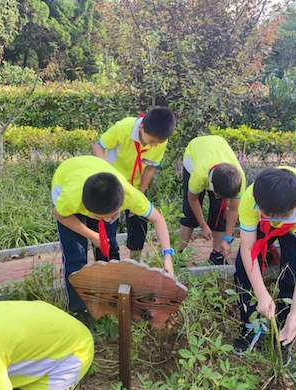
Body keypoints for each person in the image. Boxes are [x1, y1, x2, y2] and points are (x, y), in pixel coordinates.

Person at [52, 156, 174, 313]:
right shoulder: (70, 198)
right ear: (88, 210)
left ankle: (112, 300)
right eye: (102, 217)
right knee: (75, 258)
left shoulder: (130, 195)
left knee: (109, 249)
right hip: (66, 179)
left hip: (95, 176)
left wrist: (168, 257)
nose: (109, 220)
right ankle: (79, 310)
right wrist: (92, 235)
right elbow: (60, 215)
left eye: (114, 214)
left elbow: (158, 219)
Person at [233, 167, 296, 361]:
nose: (277, 221)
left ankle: (283, 330)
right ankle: (250, 325)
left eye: (283, 217)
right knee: (242, 266)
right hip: (263, 220)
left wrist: (295, 316)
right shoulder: (250, 200)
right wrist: (261, 293)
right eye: (270, 216)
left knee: (293, 271)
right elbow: (248, 250)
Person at [92, 107, 176, 261]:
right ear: (142, 126)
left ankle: (134, 261)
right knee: (107, 228)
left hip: (136, 186)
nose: (153, 146)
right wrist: (106, 175)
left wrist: (141, 191)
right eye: (151, 141)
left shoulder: (159, 140)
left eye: (158, 143)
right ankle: (109, 265)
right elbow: (98, 146)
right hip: (112, 185)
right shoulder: (123, 128)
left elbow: (151, 167)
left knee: (139, 223)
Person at [179, 135, 246, 265]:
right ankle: (178, 254)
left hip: (218, 147)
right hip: (195, 152)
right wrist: (203, 225)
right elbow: (193, 200)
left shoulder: (239, 179)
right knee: (189, 214)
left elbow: (233, 209)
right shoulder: (199, 175)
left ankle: (217, 254)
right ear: (211, 185)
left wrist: (227, 238)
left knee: (219, 212)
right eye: (219, 195)